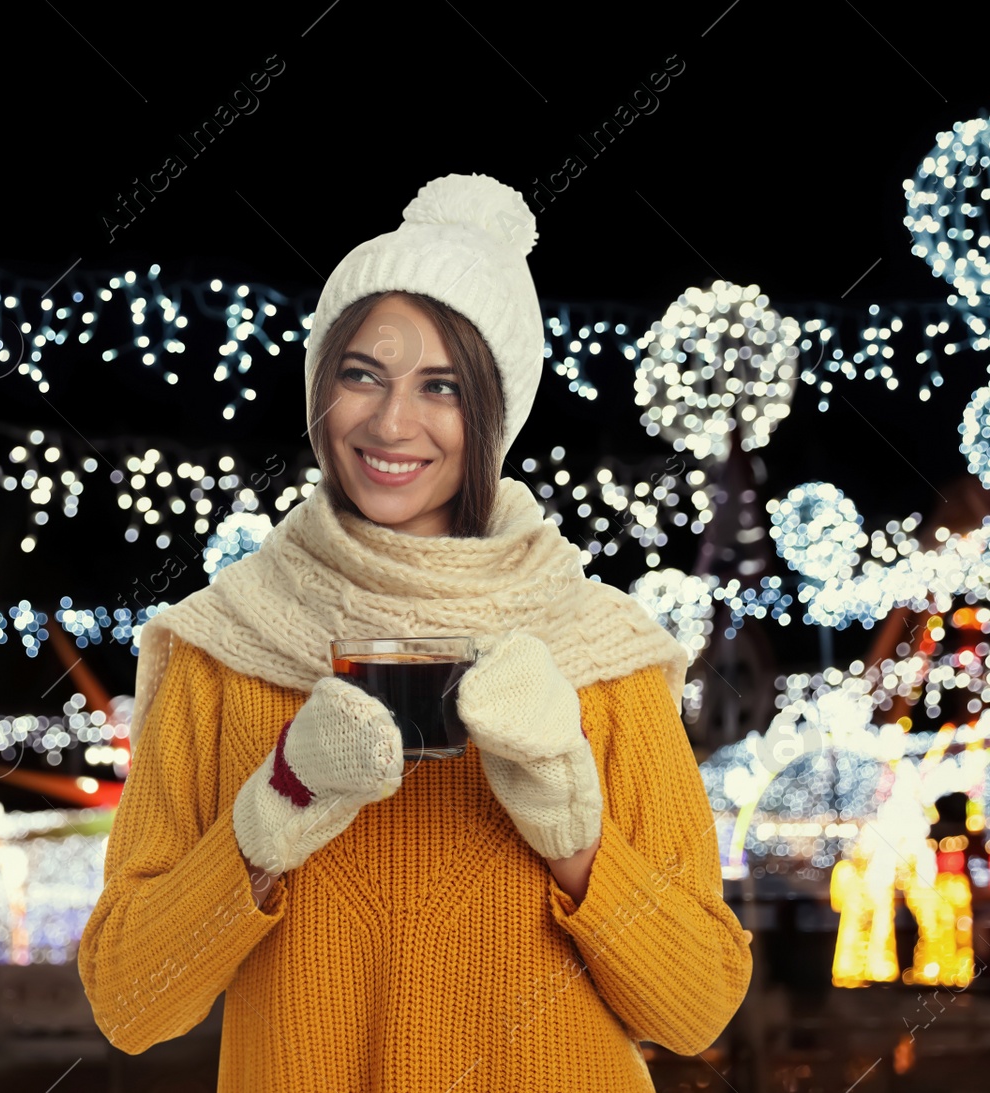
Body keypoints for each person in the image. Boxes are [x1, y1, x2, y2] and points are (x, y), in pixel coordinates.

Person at [78, 173, 753, 1090]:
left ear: (493, 414)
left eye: (442, 386)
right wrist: (272, 806)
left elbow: (697, 1005)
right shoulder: (223, 645)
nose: (392, 422)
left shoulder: (599, 649)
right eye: (363, 374)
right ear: (323, 388)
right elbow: (130, 1001)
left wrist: (572, 835)